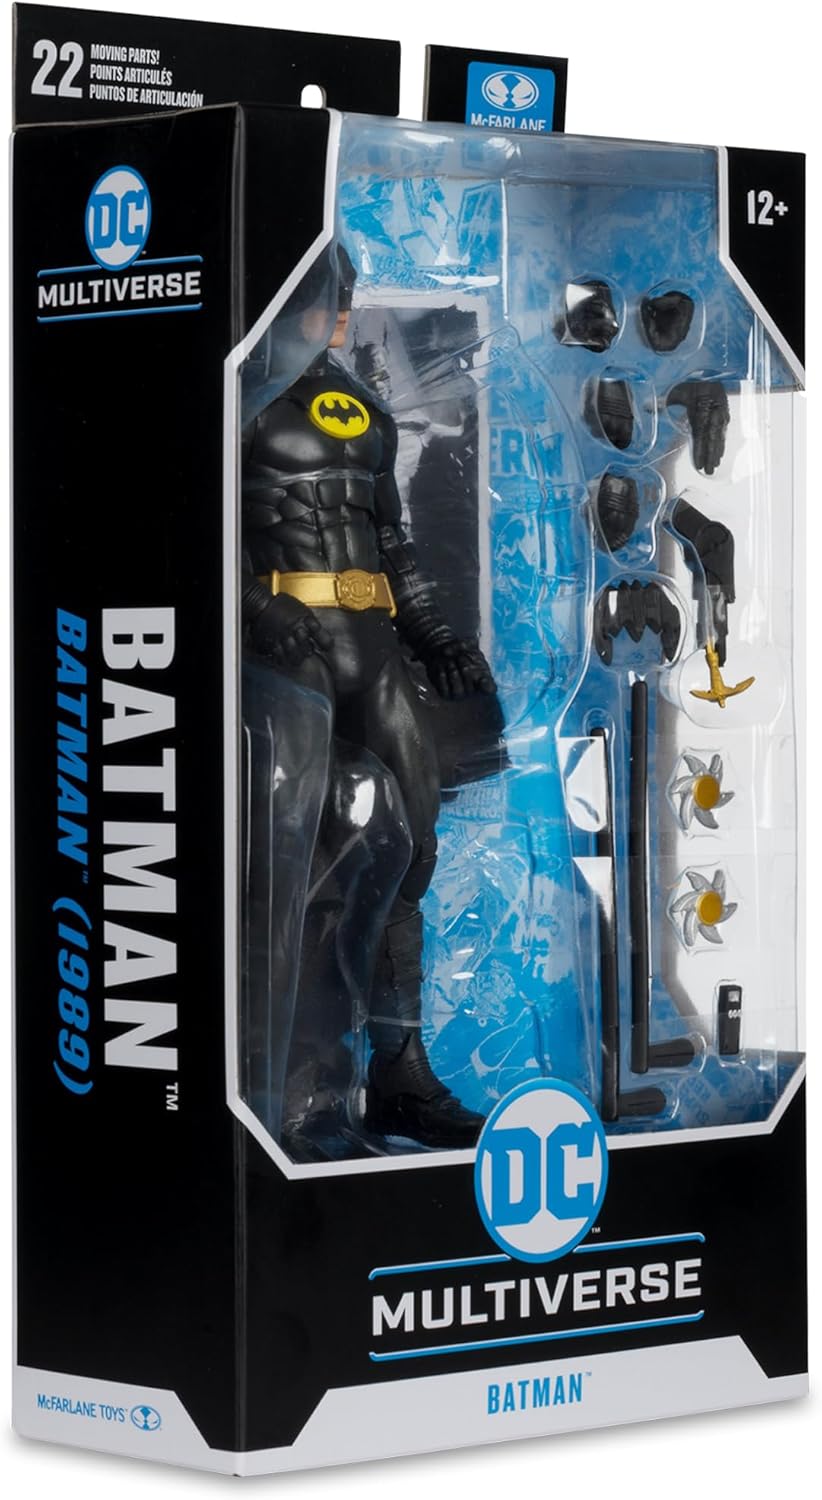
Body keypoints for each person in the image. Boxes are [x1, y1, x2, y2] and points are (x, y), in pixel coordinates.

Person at [241, 245, 496, 1152]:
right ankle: (279, 1091)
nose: (339, 313)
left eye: (344, 297)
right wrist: (254, 605)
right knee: (291, 870)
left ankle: (397, 1078)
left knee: (410, 849)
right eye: (327, 296)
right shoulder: (238, 393)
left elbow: (393, 544)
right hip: (286, 656)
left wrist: (437, 637)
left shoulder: (362, 407)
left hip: (373, 649)